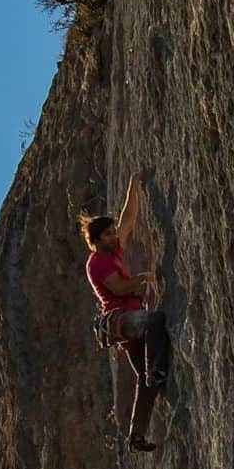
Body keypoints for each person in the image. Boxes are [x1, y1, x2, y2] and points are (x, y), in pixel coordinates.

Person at [80, 173, 170, 453]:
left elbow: (127, 218)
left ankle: (136, 437)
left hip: (128, 327)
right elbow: (119, 288)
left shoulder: (113, 249)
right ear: (96, 240)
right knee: (155, 321)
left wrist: (133, 184)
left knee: (145, 382)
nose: (114, 235)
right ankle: (156, 369)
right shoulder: (97, 263)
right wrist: (143, 277)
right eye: (108, 234)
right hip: (123, 322)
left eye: (111, 232)